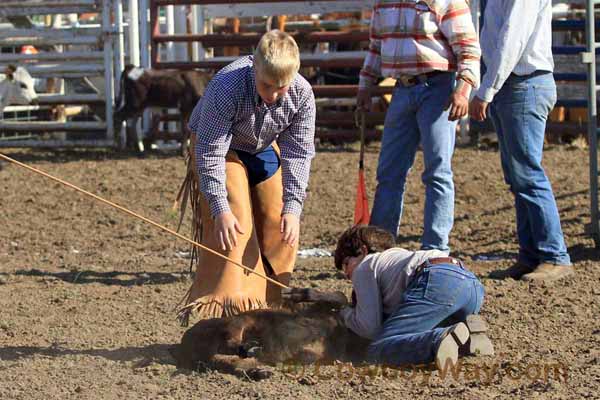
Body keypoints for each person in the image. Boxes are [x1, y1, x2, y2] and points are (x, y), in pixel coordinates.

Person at [177, 30, 316, 323]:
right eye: (267, 85)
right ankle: (223, 311)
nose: (275, 94)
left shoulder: (302, 95)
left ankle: (270, 310)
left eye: (283, 87)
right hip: (220, 147)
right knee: (234, 221)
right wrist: (220, 209)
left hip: (263, 145)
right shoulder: (226, 87)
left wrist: (293, 208)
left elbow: (299, 153)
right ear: (255, 68)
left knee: (282, 224)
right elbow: (210, 151)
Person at [357, 0, 481, 252]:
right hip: (403, 88)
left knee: (437, 171)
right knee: (390, 171)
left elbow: (468, 47)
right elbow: (376, 47)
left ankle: (435, 248)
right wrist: (365, 84)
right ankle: (382, 247)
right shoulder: (384, 4)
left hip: (438, 87)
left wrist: (462, 89)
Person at [469, 0, 574, 282]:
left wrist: (486, 89)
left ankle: (554, 255)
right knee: (519, 176)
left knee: (527, 174)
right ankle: (531, 254)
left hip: (522, 82)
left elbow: (512, 37)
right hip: (515, 83)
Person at [335, 225, 485, 369]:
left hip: (437, 282)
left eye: (346, 264)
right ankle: (468, 339)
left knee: (378, 348)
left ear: (362, 251)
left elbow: (369, 328)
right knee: (417, 330)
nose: (347, 275)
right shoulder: (395, 259)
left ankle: (437, 340)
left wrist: (343, 314)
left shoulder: (364, 266)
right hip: (472, 286)